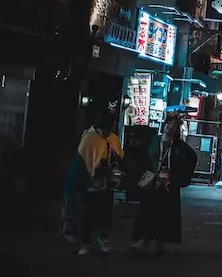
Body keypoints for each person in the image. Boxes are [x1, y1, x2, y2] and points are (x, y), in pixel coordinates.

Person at [131, 115, 197, 255]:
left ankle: (160, 241)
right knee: (147, 210)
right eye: (168, 124)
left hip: (168, 183)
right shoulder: (154, 140)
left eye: (173, 126)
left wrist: (178, 177)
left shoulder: (179, 146)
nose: (170, 127)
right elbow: (141, 157)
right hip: (152, 181)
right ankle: (144, 240)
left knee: (164, 213)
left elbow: (191, 157)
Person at [62, 110, 124, 256]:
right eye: (103, 130)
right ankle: (85, 243)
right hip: (91, 182)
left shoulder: (112, 138)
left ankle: (103, 237)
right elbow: (81, 163)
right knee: (87, 214)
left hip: (107, 182)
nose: (105, 133)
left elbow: (119, 156)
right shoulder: (89, 138)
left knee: (105, 213)